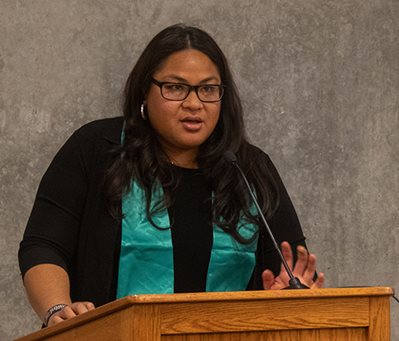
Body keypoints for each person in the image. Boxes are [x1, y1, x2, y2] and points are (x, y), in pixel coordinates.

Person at [18, 23, 324, 328]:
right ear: (144, 91)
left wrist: (289, 297)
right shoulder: (98, 149)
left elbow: (287, 270)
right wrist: (58, 309)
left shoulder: (248, 169)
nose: (194, 104)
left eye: (208, 89)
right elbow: (44, 245)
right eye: (175, 87)